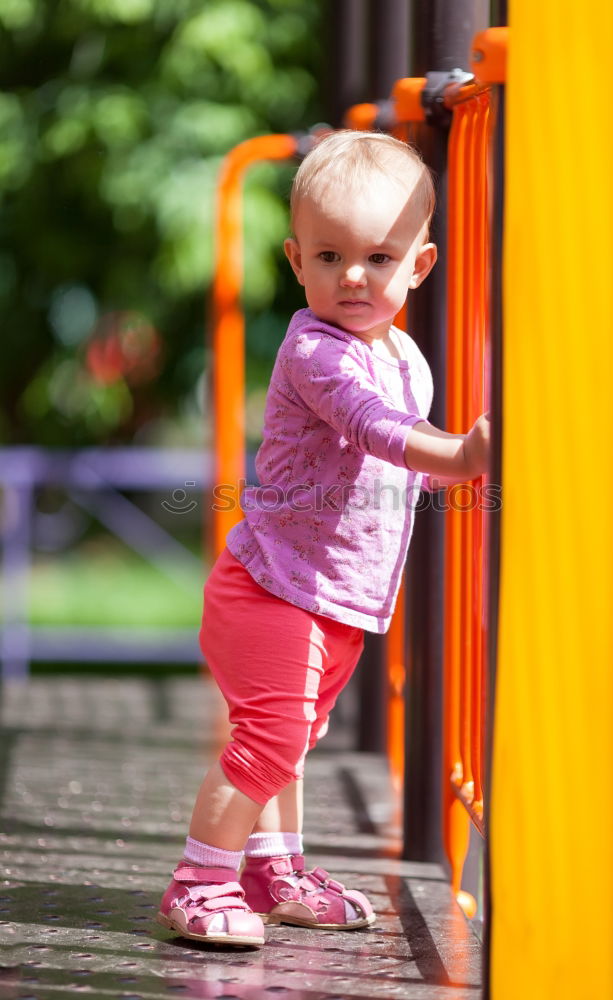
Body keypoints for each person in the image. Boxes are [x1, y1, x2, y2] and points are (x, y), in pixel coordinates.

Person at [157, 131, 490, 947]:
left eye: (379, 258)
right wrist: (466, 453)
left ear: (419, 265)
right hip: (273, 591)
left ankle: (274, 870)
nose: (353, 276)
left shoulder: (406, 356)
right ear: (295, 260)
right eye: (330, 255)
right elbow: (376, 431)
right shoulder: (316, 351)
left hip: (332, 596)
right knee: (268, 742)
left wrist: (456, 464)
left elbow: (410, 468)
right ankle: (199, 882)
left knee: (292, 743)